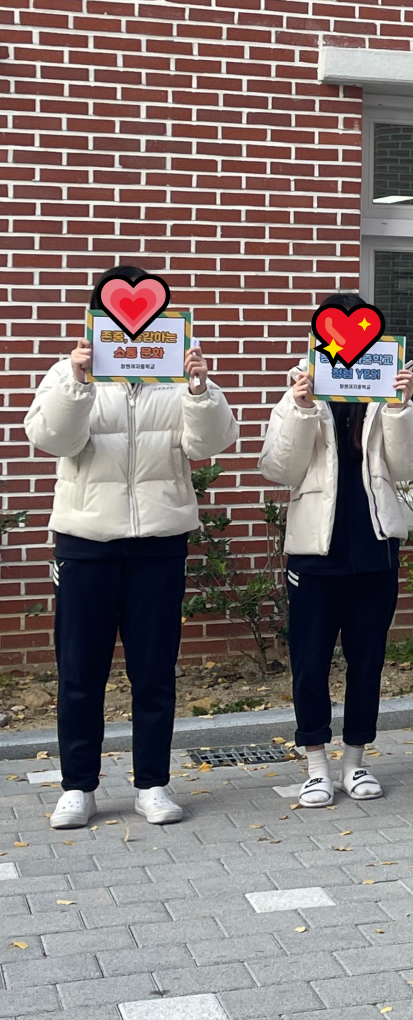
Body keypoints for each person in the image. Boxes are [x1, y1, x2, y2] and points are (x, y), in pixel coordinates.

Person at [25, 265, 239, 828]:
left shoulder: (177, 369)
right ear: (99, 315)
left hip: (159, 542)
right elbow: (50, 438)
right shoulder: (69, 371)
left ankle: (153, 784)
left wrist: (200, 390)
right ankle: (79, 786)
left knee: (154, 671)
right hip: (86, 540)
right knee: (80, 671)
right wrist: (78, 383)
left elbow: (211, 443)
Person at [257, 294, 413, 806]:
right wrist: (300, 409)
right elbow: (278, 469)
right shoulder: (302, 388)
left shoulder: (384, 386)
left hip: (375, 549)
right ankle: (316, 766)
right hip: (315, 552)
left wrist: (400, 408)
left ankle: (355, 762)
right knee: (310, 663)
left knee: (367, 661)